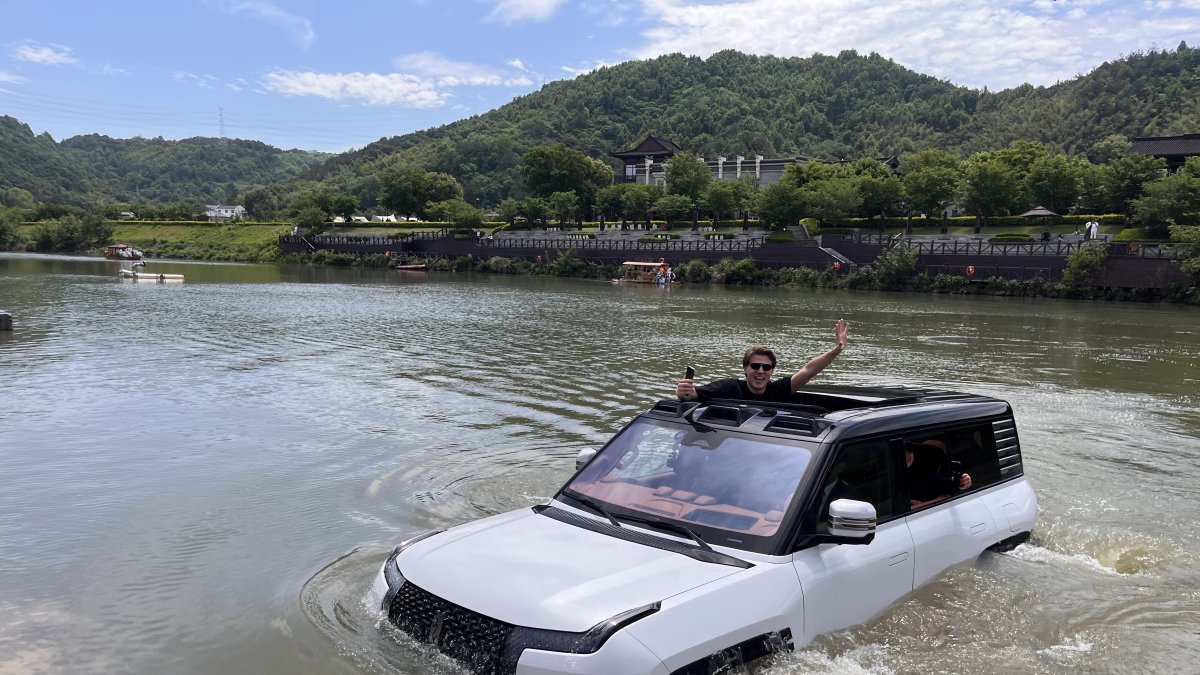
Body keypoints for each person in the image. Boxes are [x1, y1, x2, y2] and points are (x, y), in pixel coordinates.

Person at [675, 319, 849, 403]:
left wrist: (836, 350)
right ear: (745, 368)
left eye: (766, 367)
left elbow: (809, 369)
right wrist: (684, 392)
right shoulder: (729, 388)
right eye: (755, 366)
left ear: (772, 371)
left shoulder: (779, 390)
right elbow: (692, 394)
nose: (760, 371)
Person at [905, 440, 972, 509]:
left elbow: (951, 486)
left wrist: (964, 481)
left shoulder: (933, 469)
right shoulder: (897, 479)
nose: (906, 457)